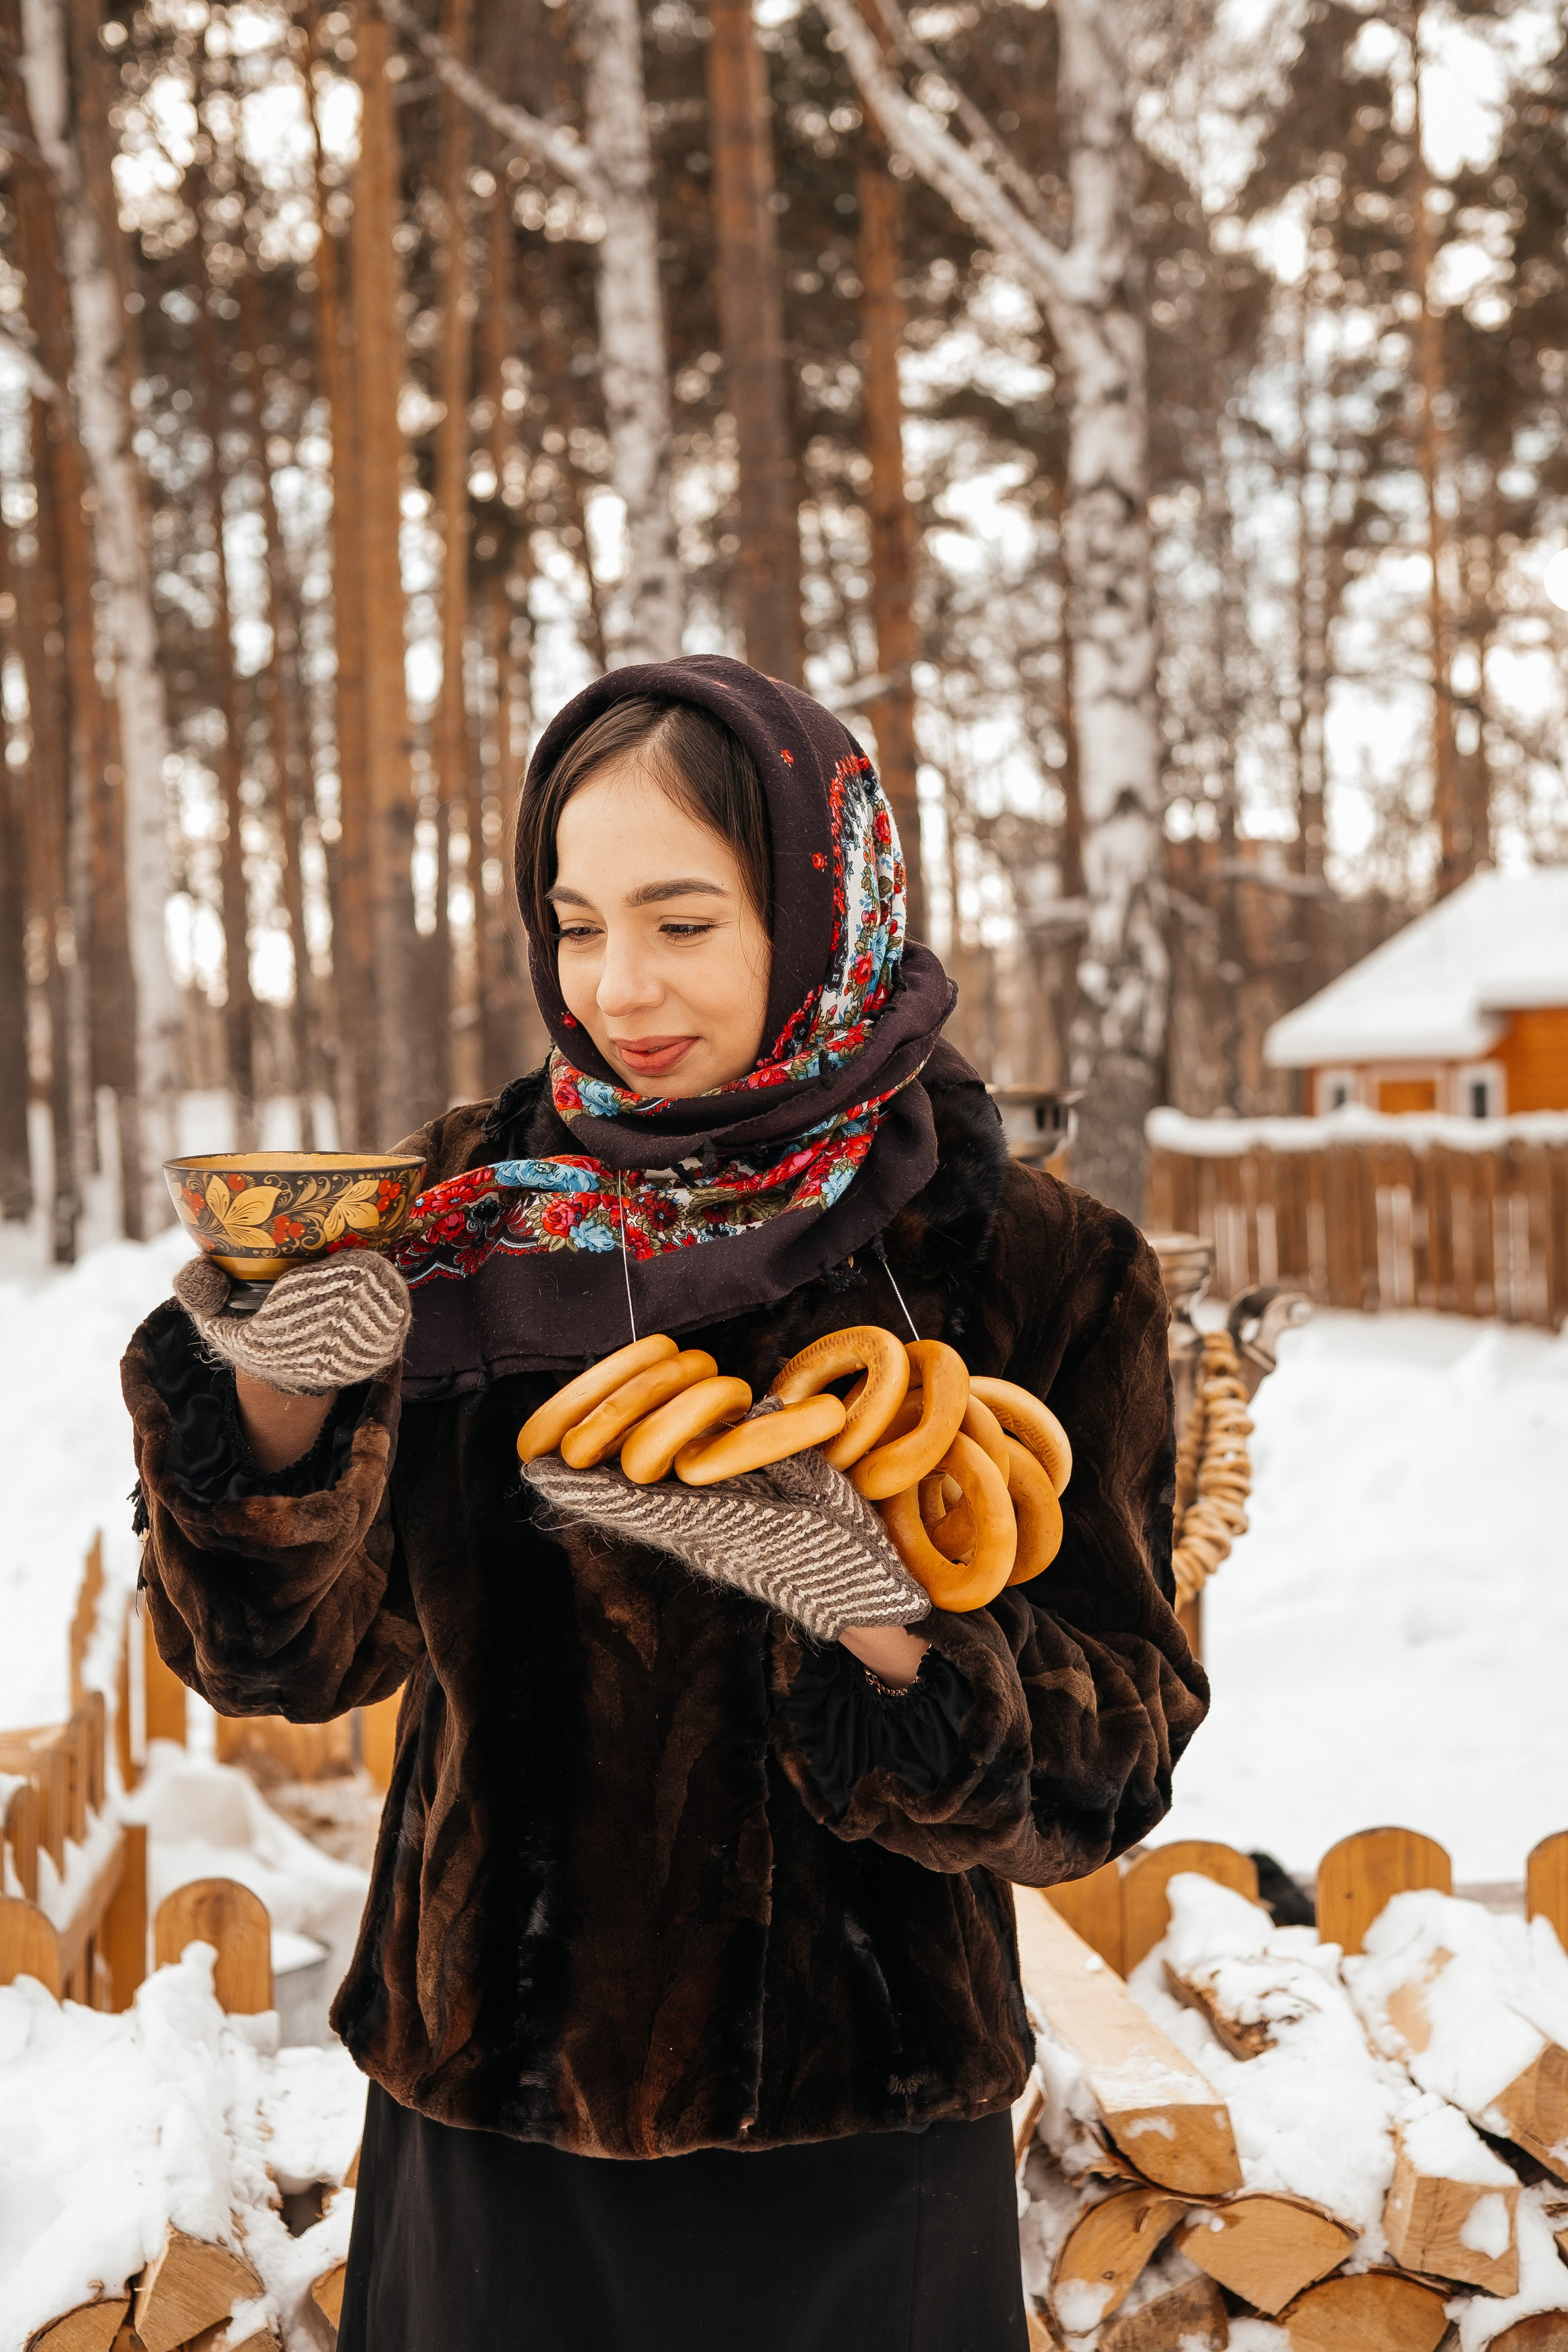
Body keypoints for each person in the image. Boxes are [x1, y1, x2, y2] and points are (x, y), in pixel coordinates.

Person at [123, 655, 1207, 2352]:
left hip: (859, 2163)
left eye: (683, 921)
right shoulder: (470, 1218)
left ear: (817, 906)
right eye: (576, 921)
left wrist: (882, 1616)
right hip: (493, 2137)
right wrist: (276, 1400)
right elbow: (283, 1667)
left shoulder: (1024, 1264)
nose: (618, 986)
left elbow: (1111, 1761)